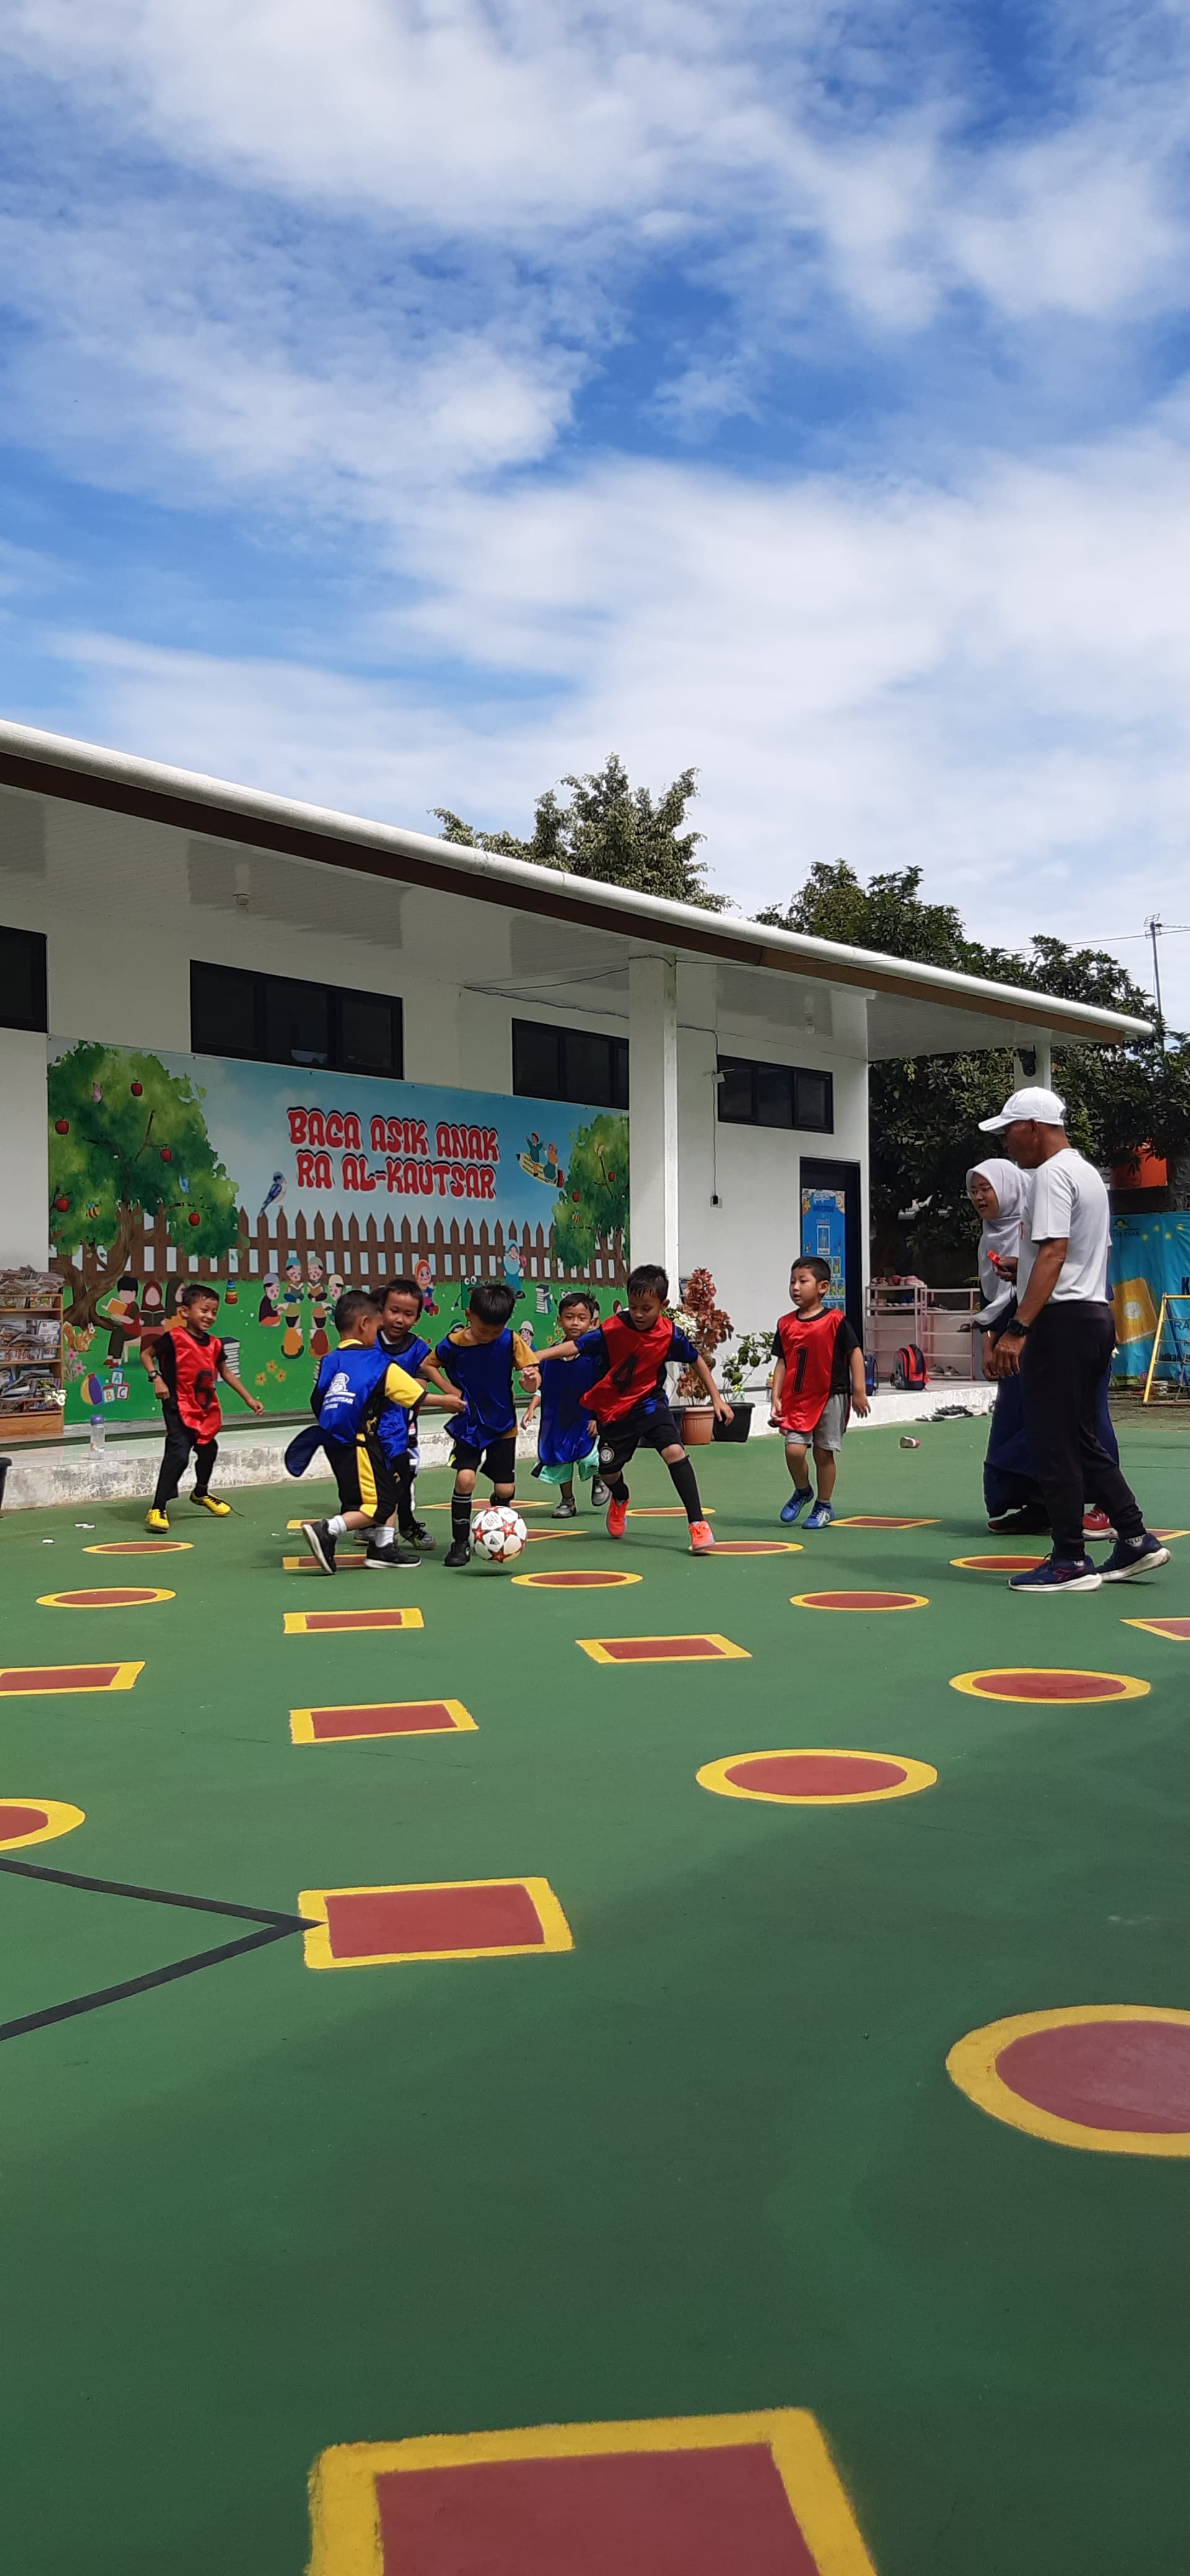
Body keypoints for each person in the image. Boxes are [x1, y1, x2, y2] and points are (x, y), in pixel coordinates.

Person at [981, 1084, 1169, 1592]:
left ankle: (1069, 1559)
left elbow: (1054, 1254)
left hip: (1059, 1322)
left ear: (1034, 1128)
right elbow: (1075, 1255)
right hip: (1090, 1315)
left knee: (1052, 1441)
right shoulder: (1085, 1172)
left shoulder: (1050, 1176)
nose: (1005, 1142)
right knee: (1080, 1436)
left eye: (1008, 1130)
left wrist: (1017, 1328)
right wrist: (1023, 1271)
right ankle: (1132, 1537)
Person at [968, 1159, 1118, 1539]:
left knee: (1082, 1421)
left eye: (987, 1187)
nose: (980, 1197)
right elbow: (994, 1298)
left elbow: (1061, 1262)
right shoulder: (994, 1233)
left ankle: (1112, 1511)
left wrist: (1019, 1328)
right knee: (1026, 1421)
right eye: (974, 1189)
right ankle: (1041, 1506)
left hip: (1064, 1324)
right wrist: (993, 1341)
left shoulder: (1057, 1191)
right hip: (1023, 1334)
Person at [538, 1262, 730, 1553]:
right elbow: (576, 1346)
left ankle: (698, 1524)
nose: (638, 1314)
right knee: (609, 1470)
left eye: (646, 1308)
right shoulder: (614, 1328)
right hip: (615, 1412)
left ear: (662, 1305)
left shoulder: (670, 1335)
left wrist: (716, 1398)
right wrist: (538, 1355)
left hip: (650, 1405)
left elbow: (696, 1359)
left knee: (675, 1451)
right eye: (633, 1307)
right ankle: (620, 1497)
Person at [300, 1289, 457, 1574]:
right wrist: (448, 1401)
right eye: (377, 1325)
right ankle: (327, 1529)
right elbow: (414, 1395)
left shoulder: (330, 1361)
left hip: (336, 1442)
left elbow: (318, 1400)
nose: (379, 1331)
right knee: (380, 1504)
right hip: (367, 1443)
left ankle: (383, 1548)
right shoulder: (378, 1364)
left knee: (391, 1488)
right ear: (364, 1324)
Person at [434, 1281, 540, 1567]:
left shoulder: (510, 1340)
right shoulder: (453, 1344)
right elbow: (429, 1365)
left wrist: (531, 1380)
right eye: (484, 1331)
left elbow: (533, 1375)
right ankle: (459, 1544)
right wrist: (448, 1391)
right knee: (465, 1479)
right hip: (470, 1423)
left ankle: (497, 1530)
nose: (490, 1337)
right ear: (469, 1316)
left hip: (503, 1424)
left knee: (505, 1490)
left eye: (496, 1331)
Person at [145, 1281, 264, 1530]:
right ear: (185, 1312)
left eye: (214, 1312)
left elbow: (225, 1372)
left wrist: (248, 1398)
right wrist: (156, 1378)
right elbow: (146, 1354)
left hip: (204, 1408)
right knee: (178, 1454)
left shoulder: (215, 1344)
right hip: (177, 1405)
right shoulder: (174, 1338)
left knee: (209, 1451)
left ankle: (200, 1493)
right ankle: (158, 1507)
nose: (210, 1316)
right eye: (204, 1310)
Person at [770, 1255, 870, 1527]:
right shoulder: (785, 1324)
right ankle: (803, 1491)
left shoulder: (836, 1321)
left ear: (823, 1287)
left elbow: (855, 1353)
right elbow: (782, 1362)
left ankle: (824, 1506)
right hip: (798, 1399)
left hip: (831, 1395)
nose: (796, 1287)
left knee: (823, 1453)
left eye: (803, 1281)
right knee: (794, 1450)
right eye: (792, 1281)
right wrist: (776, 1395)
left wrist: (858, 1390)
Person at [376, 1277, 461, 1551]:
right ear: (381, 1311)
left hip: (403, 1429)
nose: (400, 1319)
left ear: (417, 1318)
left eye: (408, 1314)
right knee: (368, 1479)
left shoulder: (417, 1350)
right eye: (394, 1311)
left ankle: (407, 1524)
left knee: (404, 1478)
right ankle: (369, 1525)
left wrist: (449, 1395)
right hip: (367, 1428)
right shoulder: (367, 1344)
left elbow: (419, 1389)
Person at [529, 1289, 606, 1518]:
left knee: (590, 1456)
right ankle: (567, 1501)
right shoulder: (551, 1357)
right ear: (559, 1320)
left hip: (586, 1417)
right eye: (569, 1317)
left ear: (593, 1322)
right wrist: (532, 1398)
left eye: (582, 1318)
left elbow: (604, 1388)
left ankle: (599, 1479)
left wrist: (597, 1417)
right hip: (558, 1419)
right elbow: (540, 1387)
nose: (575, 1323)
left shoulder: (597, 1355)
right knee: (560, 1460)